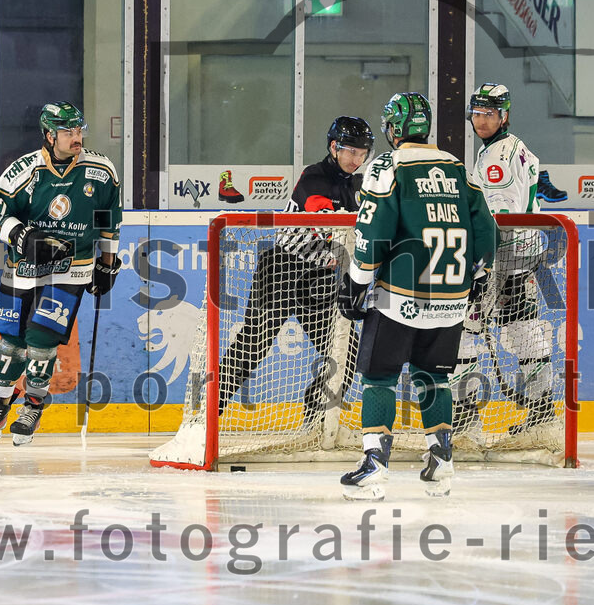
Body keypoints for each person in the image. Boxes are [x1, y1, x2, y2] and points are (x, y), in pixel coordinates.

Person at [337, 92, 498, 501]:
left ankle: (374, 467)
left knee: (379, 378)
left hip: (401, 297)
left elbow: (372, 234)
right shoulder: (458, 167)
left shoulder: (388, 166)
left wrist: (356, 284)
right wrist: (478, 275)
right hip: (452, 297)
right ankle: (441, 463)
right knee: (435, 376)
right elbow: (486, 231)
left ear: (393, 129)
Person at [0, 102, 122, 446]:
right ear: (50, 136)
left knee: (41, 339)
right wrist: (24, 236)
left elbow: (108, 220)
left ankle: (32, 407)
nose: (76, 137)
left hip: (72, 269)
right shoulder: (24, 171)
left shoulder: (101, 170)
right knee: (11, 340)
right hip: (24, 267)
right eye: (68, 132)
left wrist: (108, 263)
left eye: (79, 130)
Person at [217, 117, 374, 426]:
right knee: (253, 344)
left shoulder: (358, 185)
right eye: (351, 151)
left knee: (348, 351)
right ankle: (207, 414)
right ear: (334, 147)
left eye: (362, 153)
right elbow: (321, 212)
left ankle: (313, 420)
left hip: (319, 278)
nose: (357, 159)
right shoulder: (314, 176)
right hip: (282, 269)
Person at [451, 83, 560, 439]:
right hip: (522, 255)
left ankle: (464, 416)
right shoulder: (514, 148)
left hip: (501, 257)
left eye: (489, 114)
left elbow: (499, 215)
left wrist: (482, 267)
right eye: (477, 113)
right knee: (523, 328)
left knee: (463, 330)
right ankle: (542, 411)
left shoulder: (497, 155)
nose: (481, 121)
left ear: (504, 115)